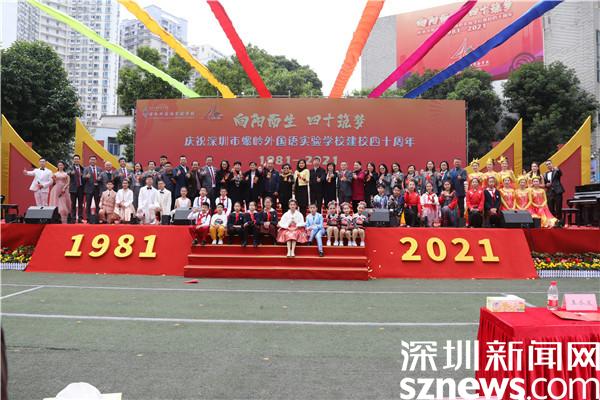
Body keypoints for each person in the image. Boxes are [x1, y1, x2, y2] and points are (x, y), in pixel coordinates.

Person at [83, 156, 102, 222]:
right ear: (89, 161)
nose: (93, 161)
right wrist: (86, 177)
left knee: (98, 204)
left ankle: (97, 218)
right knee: (88, 204)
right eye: (91, 160)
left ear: (96, 161)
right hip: (89, 188)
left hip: (97, 188)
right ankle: (88, 218)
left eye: (94, 160)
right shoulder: (86, 169)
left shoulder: (100, 169)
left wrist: (100, 179)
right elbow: (83, 177)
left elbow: (101, 177)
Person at [68, 154, 85, 223]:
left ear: (79, 160)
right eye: (75, 159)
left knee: (80, 204)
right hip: (73, 188)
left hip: (81, 188)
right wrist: (70, 173)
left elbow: (84, 177)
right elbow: (67, 172)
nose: (76, 160)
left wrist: (83, 176)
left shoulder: (82, 168)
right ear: (73, 160)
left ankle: (80, 218)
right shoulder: (70, 167)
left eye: (77, 159)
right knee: (73, 204)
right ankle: (73, 218)